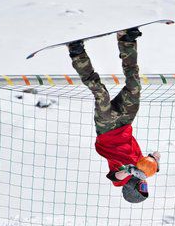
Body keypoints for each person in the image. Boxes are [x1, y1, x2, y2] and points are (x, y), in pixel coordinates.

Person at [67, 28, 160, 203]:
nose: (144, 183)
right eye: (146, 186)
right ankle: (127, 41)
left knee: (101, 92)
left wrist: (130, 171)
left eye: (142, 187)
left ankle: (77, 53)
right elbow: (148, 160)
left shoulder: (122, 180)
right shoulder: (141, 167)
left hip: (107, 128)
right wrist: (154, 159)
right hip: (125, 123)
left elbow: (117, 175)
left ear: (131, 188)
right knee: (134, 87)